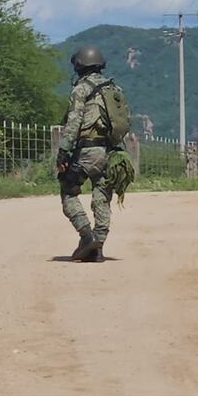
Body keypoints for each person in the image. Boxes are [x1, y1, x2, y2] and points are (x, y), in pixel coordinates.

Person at [56, 46, 115, 263]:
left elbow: (74, 122)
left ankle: (86, 236)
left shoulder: (81, 89)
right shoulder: (112, 88)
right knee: (102, 197)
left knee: (68, 191)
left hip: (87, 151)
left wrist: (63, 152)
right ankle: (98, 247)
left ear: (80, 65)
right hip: (109, 152)